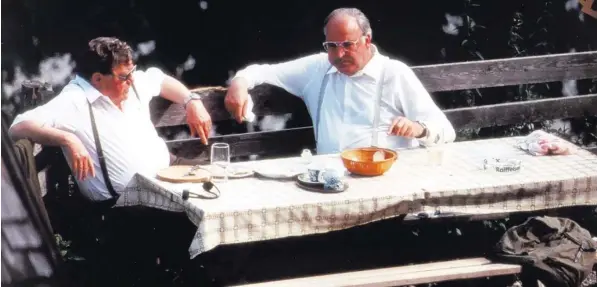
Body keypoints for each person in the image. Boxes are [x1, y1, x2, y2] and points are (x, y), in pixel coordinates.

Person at [225, 8, 456, 154]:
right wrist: (240, 83)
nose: (339, 55)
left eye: (347, 45)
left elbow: (446, 131)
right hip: (330, 184)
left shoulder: (394, 74)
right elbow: (264, 71)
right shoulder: (318, 68)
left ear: (367, 40)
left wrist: (419, 129)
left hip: (386, 183)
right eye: (331, 46)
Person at [8, 37, 212, 202]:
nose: (131, 80)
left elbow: (158, 78)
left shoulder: (132, 82)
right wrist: (68, 139)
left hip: (170, 173)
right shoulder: (74, 100)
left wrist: (191, 100)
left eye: (132, 72)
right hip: (128, 204)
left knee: (222, 180)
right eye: (124, 77)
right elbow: (17, 126)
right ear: (97, 79)